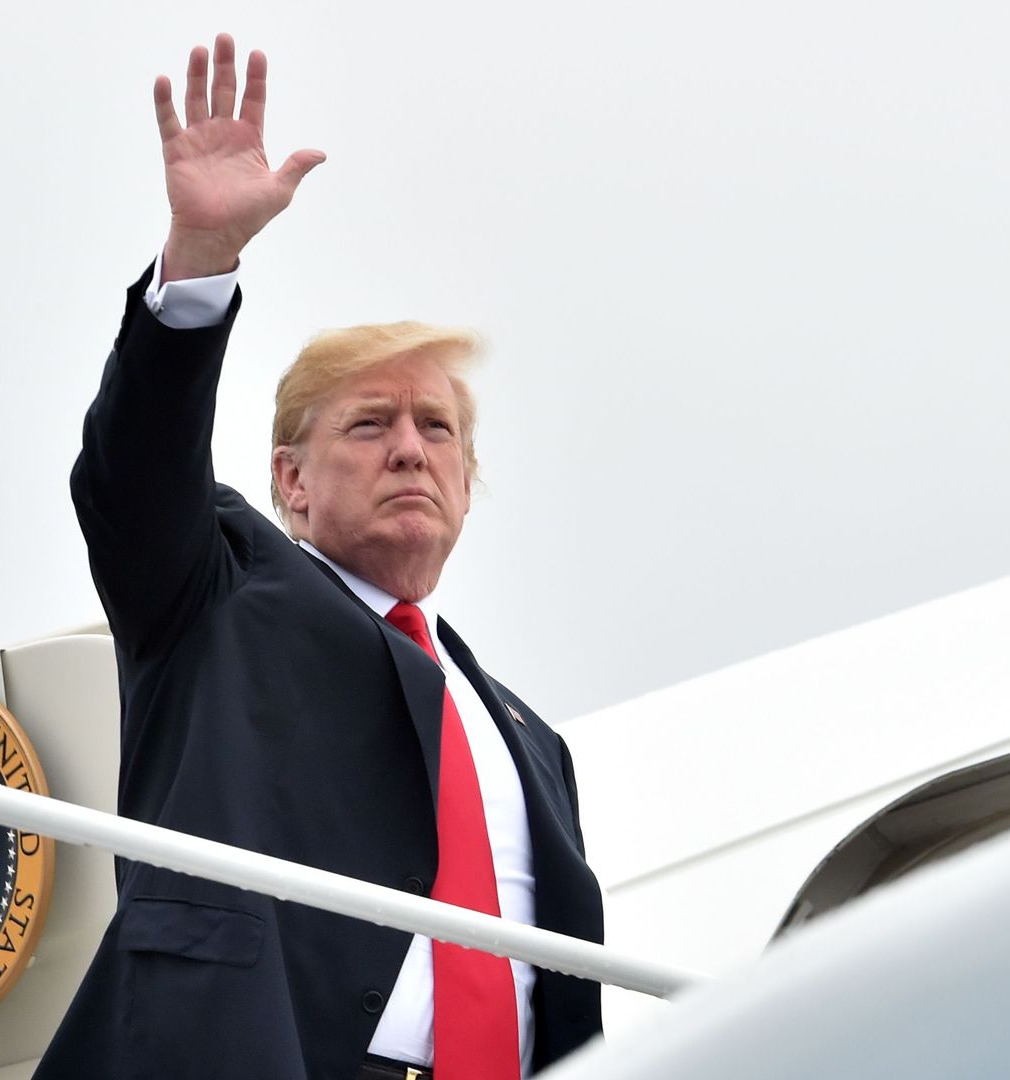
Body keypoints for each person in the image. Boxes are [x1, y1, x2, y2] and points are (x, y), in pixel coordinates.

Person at [44, 34, 605, 1080]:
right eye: (371, 424)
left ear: (469, 483)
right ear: (290, 481)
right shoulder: (216, 588)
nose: (408, 448)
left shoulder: (531, 740)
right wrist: (201, 265)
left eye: (437, 429)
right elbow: (134, 476)